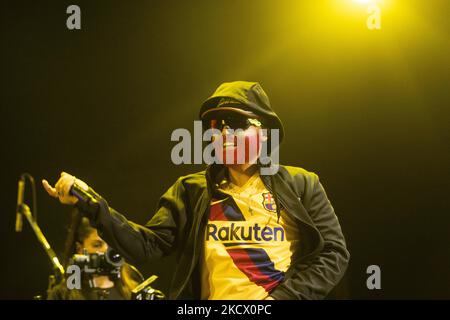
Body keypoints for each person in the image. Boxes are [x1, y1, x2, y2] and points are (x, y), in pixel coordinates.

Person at [43, 81, 350, 300]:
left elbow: (334, 253)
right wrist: (90, 201)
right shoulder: (191, 191)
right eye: (216, 124)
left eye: (236, 122)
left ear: (264, 130)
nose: (224, 132)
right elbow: (147, 246)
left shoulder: (301, 183)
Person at [47, 211, 143, 300]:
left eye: (111, 244)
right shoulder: (62, 295)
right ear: (80, 249)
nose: (106, 250)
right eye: (97, 245)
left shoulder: (134, 291)